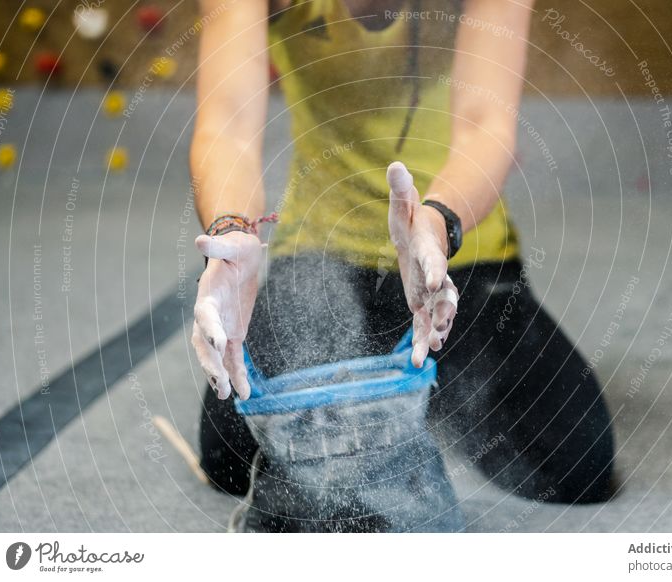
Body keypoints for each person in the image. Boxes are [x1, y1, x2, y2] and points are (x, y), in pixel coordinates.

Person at [189, 0, 615, 514]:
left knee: (578, 464)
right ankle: (400, 394)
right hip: (322, 254)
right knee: (229, 456)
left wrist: (435, 225)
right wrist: (232, 237)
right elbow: (228, 124)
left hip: (452, 260)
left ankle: (403, 390)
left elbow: (485, 124)